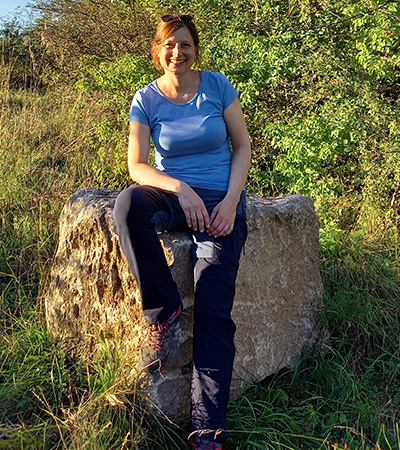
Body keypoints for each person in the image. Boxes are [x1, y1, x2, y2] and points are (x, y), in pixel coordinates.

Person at [112, 14, 251, 450]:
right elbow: (137, 166)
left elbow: (243, 145)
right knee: (128, 206)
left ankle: (207, 432)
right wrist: (180, 189)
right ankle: (164, 310)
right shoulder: (145, 99)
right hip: (174, 196)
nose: (178, 52)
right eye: (169, 45)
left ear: (196, 49)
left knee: (212, 308)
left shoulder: (217, 87)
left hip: (220, 205)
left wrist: (230, 201)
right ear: (158, 51)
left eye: (185, 44)